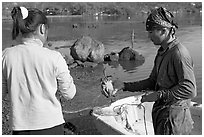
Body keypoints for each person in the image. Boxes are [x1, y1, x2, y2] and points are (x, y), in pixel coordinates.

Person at [107, 7, 197, 135]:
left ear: (164, 30)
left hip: (175, 120)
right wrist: (124, 85)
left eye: (151, 32)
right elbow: (152, 82)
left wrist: (158, 95)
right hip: (162, 115)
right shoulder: (162, 52)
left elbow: (189, 89)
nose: (148, 36)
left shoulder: (179, 53)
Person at [2, 6, 76, 135]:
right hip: (51, 125)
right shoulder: (54, 57)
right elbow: (69, 94)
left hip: (20, 128)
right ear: (42, 28)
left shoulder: (5, 56)